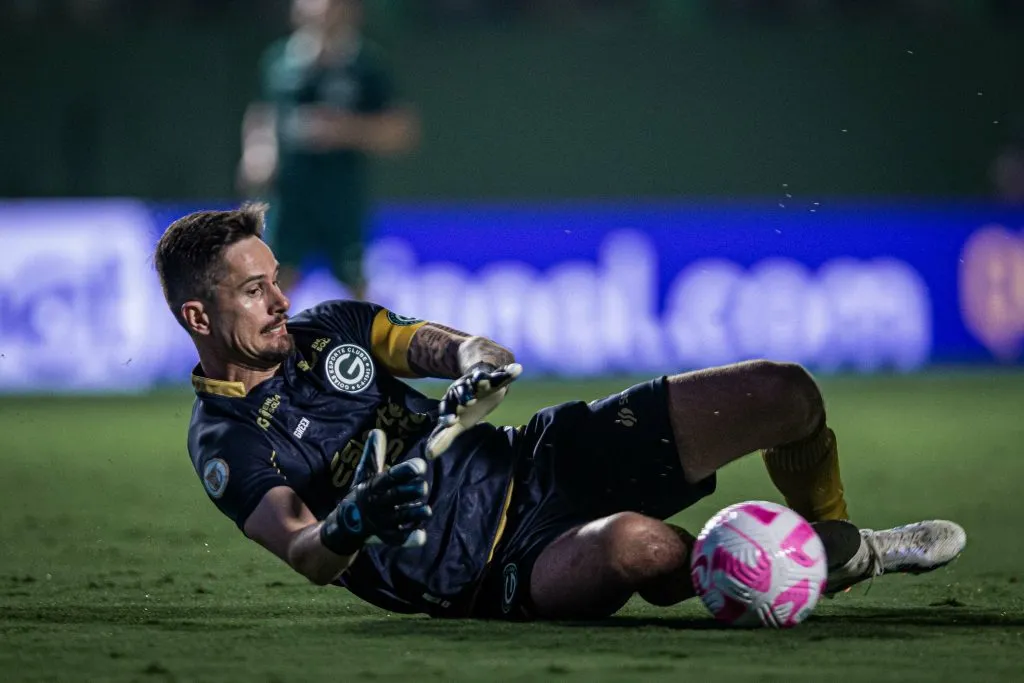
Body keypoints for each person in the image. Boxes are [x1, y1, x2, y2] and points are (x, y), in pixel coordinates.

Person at [155, 204, 967, 620]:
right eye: (254, 288)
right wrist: (351, 523)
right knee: (639, 548)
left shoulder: (326, 328)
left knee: (784, 391)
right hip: (488, 572)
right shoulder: (225, 442)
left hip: (539, 456)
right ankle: (844, 556)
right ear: (200, 316)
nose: (279, 298)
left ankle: (834, 539)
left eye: (274, 278)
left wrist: (476, 362)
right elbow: (304, 551)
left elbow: (443, 346)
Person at [238, 0, 419, 297]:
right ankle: (262, 343)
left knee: (353, 281)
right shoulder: (281, 60)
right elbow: (263, 113)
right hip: (290, 193)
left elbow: (401, 130)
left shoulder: (366, 65)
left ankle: (364, 342)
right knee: (276, 277)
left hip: (340, 195)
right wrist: (258, 152)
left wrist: (344, 130)